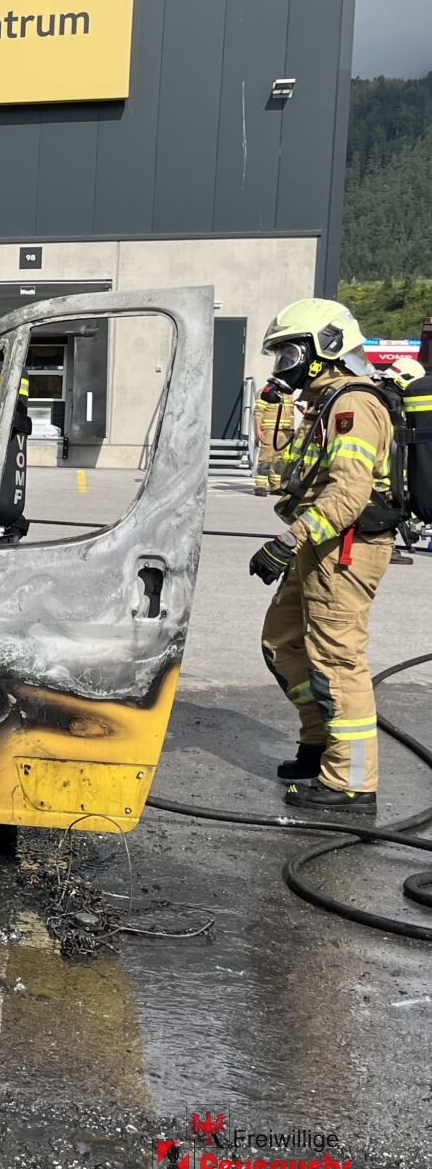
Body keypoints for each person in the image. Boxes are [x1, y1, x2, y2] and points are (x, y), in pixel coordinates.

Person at [251, 298, 400, 815]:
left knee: (338, 661)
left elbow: (348, 494)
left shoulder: (353, 406)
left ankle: (352, 783)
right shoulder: (324, 406)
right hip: (322, 545)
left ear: (326, 349)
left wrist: (288, 541)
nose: (283, 365)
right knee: (282, 642)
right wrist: (276, 413)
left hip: (346, 550)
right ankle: (320, 743)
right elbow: (286, 476)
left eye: (289, 353)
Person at [252, 382, 296, 496]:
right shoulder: (265, 391)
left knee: (279, 461)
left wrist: (291, 430)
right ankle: (260, 486)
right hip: (270, 430)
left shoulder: (289, 394)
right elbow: (258, 412)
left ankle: (275, 486)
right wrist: (258, 430)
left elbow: (291, 414)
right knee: (265, 459)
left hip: (285, 431)